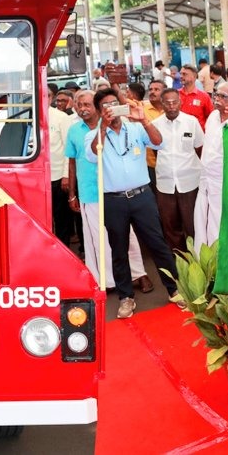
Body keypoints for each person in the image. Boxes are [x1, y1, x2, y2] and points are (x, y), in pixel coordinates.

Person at [86, 88, 182, 318]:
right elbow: (92, 154)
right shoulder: (94, 134)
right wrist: (103, 127)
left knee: (158, 244)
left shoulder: (136, 127)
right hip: (114, 201)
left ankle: (175, 290)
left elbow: (159, 143)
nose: (112, 108)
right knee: (118, 250)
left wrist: (144, 119)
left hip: (141, 196)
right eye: (106, 106)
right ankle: (125, 298)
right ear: (100, 112)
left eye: (114, 103)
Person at [66, 90, 152, 292]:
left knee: (127, 236)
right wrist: (72, 193)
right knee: (99, 240)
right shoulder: (74, 131)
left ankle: (140, 274)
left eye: (87, 105)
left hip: (118, 193)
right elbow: (71, 162)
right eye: (79, 105)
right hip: (90, 192)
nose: (82, 109)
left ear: (98, 107)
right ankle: (107, 281)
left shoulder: (116, 125)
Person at [152, 88, 203, 254]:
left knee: (193, 225)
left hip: (190, 182)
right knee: (171, 228)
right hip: (165, 185)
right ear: (162, 104)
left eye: (175, 102)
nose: (172, 106)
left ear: (180, 102)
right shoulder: (155, 125)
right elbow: (154, 150)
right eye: (167, 103)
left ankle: (200, 266)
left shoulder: (192, 122)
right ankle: (180, 264)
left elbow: (200, 149)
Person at [193, 82, 228, 251]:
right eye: (216, 95)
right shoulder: (213, 115)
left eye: (223, 96)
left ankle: (217, 267)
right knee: (200, 222)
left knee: (217, 224)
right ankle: (202, 263)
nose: (217, 99)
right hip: (204, 178)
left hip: (222, 182)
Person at [49, 94, 76, 249]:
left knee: (62, 220)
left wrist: (66, 175)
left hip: (58, 175)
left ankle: (63, 249)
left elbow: (68, 148)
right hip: (39, 177)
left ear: (49, 97)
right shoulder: (31, 118)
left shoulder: (61, 117)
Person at [178, 64, 215, 130]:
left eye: (184, 74)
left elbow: (211, 117)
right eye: (180, 74)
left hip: (199, 136)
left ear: (194, 76)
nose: (181, 76)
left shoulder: (204, 96)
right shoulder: (176, 95)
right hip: (180, 134)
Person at [143, 79, 165, 186]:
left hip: (168, 163)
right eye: (150, 89)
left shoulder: (171, 110)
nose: (152, 92)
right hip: (149, 165)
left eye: (156, 89)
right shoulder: (142, 111)